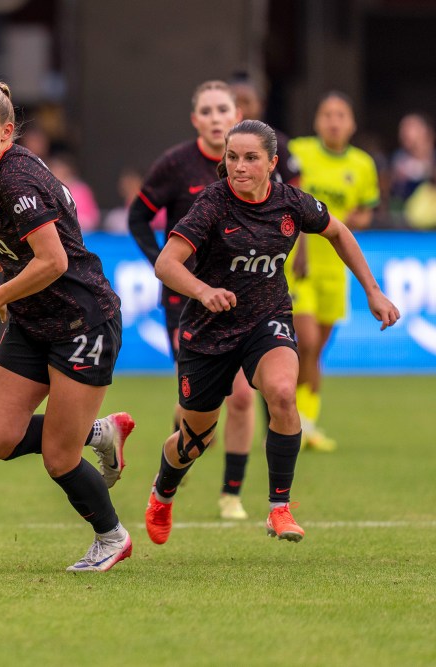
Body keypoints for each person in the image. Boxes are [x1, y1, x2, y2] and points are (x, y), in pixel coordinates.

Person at [144, 119, 400, 546]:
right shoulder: (212, 203)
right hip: (209, 329)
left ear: (272, 163)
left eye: (250, 158)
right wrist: (204, 291)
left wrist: (373, 291)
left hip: (268, 318)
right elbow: (166, 264)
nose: (239, 166)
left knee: (282, 393)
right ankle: (162, 492)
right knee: (195, 439)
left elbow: (339, 232)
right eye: (232, 157)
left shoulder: (291, 202)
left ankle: (279, 507)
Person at [0, 82, 136, 573]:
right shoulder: (1, 167)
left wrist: (0, 294)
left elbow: (54, 260)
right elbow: (30, 226)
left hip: (82, 324)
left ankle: (112, 538)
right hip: (35, 322)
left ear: (7, 131)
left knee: (60, 458)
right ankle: (99, 432)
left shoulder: (15, 178)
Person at [127, 80, 257, 520]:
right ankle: (179, 451)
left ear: (237, 115)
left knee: (243, 396)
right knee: (199, 414)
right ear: (195, 120)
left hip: (240, 296)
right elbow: (138, 217)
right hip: (184, 299)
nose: (216, 118)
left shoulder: (255, 163)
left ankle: (231, 495)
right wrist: (161, 262)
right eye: (207, 111)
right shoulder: (175, 164)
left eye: (223, 109)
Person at [287, 92, 380, 451]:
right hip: (299, 266)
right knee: (306, 342)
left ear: (352, 123)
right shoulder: (299, 153)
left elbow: (367, 210)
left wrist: (356, 219)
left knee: (316, 352)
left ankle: (306, 425)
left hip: (335, 269)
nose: (334, 121)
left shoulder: (362, 165)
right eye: (327, 114)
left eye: (341, 115)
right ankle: (288, 423)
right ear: (317, 121)